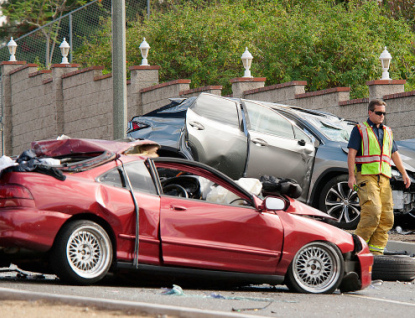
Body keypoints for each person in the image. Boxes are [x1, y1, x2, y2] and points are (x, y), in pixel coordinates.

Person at [347, 99, 411, 255]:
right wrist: (351, 176)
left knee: (387, 218)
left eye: (384, 113)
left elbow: (394, 154)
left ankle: (376, 254)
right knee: (372, 213)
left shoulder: (388, 131)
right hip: (366, 177)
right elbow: (352, 153)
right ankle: (355, 250)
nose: (382, 116)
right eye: (379, 113)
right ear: (370, 112)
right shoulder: (360, 129)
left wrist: (404, 173)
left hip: (384, 179)